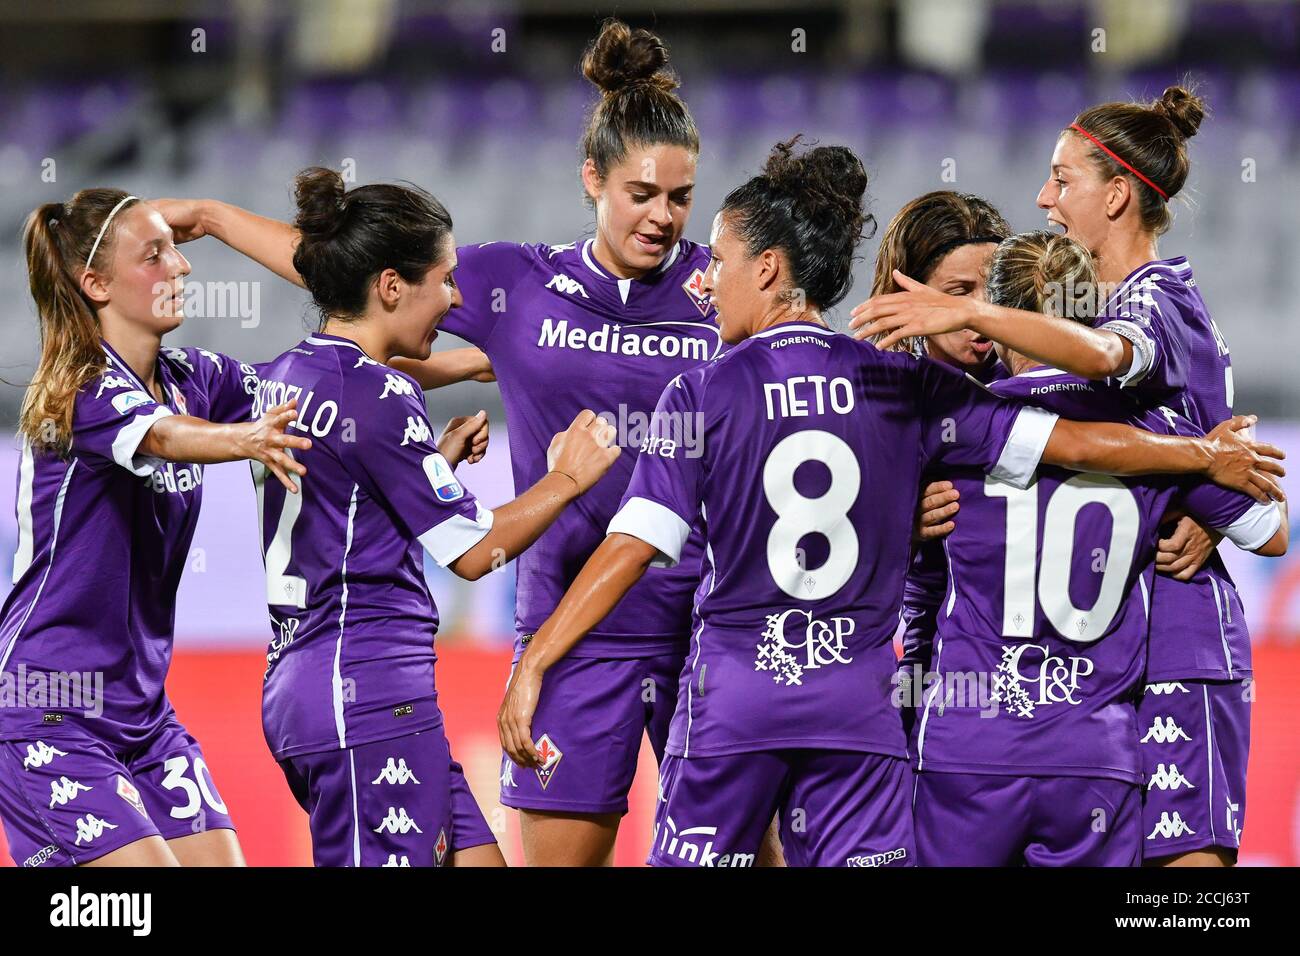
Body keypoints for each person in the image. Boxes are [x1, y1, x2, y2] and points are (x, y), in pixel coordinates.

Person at [496, 139, 1285, 867]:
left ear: (768, 268)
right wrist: (1200, 457)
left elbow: (633, 545)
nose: (703, 277)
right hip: (870, 714)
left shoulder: (703, 388)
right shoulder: (908, 387)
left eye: (722, 259)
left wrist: (534, 660)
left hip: (749, 701)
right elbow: (1078, 445)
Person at [157, 18, 725, 867]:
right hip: (569, 639)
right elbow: (349, 276)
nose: (663, 216)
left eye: (680, 198)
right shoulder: (518, 285)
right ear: (593, 182)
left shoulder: (724, 295)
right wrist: (209, 214)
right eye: (641, 193)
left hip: (705, 627)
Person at [852, 85, 1261, 866]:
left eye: (1062, 180)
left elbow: (1103, 388)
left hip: (1151, 656)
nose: (1043, 198)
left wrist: (1205, 489)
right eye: (954, 296)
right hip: (1051, 720)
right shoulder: (914, 396)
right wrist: (1204, 470)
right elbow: (1261, 523)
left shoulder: (1141, 315)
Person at [231, 167, 621, 867]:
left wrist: (431, 462)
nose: (454, 296)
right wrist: (567, 477)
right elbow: (472, 554)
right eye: (442, 279)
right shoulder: (378, 392)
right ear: (389, 286)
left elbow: (348, 495)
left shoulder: (291, 372)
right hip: (365, 695)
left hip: (333, 687)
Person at [909, 230, 1287, 866]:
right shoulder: (1152, 430)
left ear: (1007, 326)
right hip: (1096, 756)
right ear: (1091, 318)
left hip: (969, 746)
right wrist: (1204, 492)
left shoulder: (958, 417)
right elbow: (1269, 531)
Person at [0, 190, 309, 867]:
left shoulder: (191, 378)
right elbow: (164, 438)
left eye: (175, 249)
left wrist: (484, 364)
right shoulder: (76, 389)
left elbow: (317, 385)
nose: (182, 267)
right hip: (49, 705)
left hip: (141, 713)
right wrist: (245, 438)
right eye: (155, 254)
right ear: (96, 284)